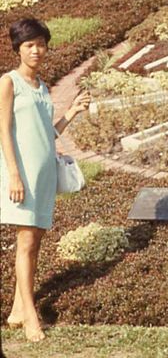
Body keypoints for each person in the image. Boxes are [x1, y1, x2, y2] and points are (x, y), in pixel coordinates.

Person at [0, 18, 90, 342]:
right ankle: (31, 318)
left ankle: (15, 310)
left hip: (44, 176)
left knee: (34, 243)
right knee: (25, 243)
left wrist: (72, 113)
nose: (36, 50)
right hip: (20, 177)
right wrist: (13, 174)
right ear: (18, 49)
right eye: (29, 45)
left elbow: (44, 134)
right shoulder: (9, 83)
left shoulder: (41, 86)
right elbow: (4, 133)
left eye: (40, 43)